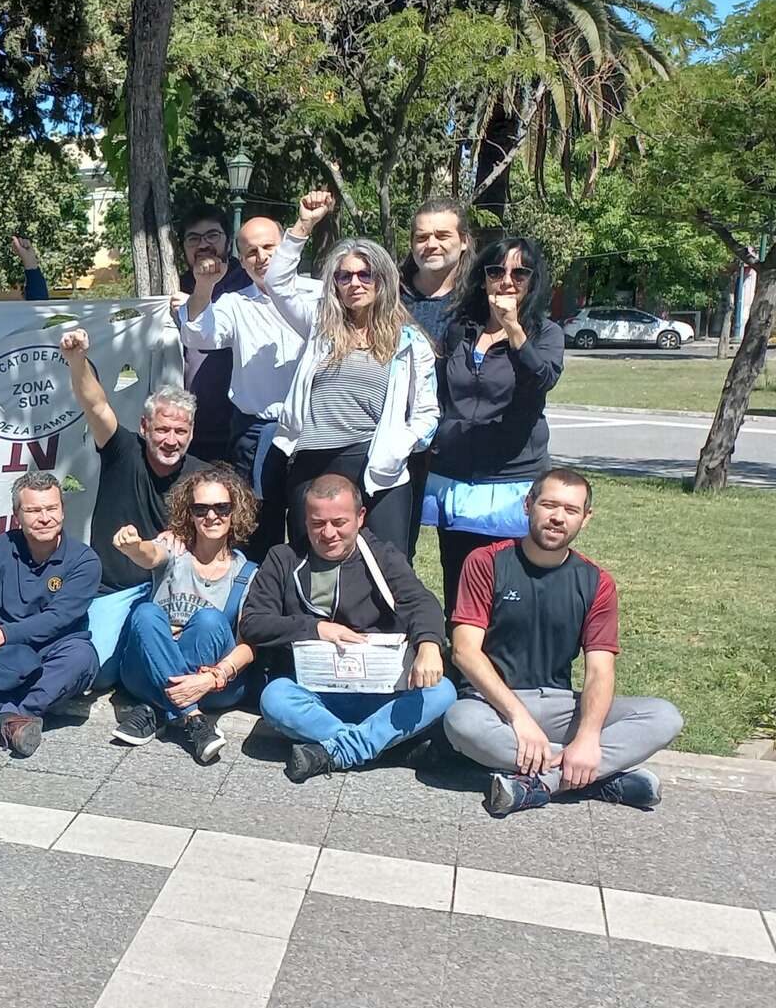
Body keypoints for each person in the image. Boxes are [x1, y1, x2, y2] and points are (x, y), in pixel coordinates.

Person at [443, 470, 681, 817]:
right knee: (460, 723)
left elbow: (600, 671)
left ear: (585, 519)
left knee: (663, 717)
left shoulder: (596, 581)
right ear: (528, 506)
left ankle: (542, 782)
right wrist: (519, 718)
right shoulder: (486, 562)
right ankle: (597, 777)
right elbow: (465, 650)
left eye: (570, 510)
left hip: (558, 704)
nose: (557, 517)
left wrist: (586, 737)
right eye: (549, 505)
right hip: (492, 704)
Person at [246, 476, 455, 782]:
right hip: (318, 693)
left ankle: (336, 751)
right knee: (275, 698)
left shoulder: (382, 556)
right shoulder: (284, 558)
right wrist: (316, 628)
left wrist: (429, 647)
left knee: (443, 692)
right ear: (305, 520)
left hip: (383, 690)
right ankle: (382, 747)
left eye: (339, 522)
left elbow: (422, 603)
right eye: (317, 523)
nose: (328, 533)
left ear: (360, 517)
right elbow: (253, 622)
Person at [265, 190, 438, 556]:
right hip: (312, 459)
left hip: (375, 461)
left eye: (365, 274)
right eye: (344, 276)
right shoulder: (319, 326)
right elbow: (277, 283)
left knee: (388, 564)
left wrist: (399, 447)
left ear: (382, 279)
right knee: (309, 562)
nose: (355, 283)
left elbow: (427, 415)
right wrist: (303, 225)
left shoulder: (409, 342)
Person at [426, 237, 565, 609]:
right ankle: (460, 651)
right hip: (457, 473)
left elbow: (542, 380)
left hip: (512, 477)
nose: (506, 280)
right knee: (457, 571)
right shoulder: (460, 329)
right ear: (482, 279)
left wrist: (515, 330)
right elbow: (440, 391)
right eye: (496, 271)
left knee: (507, 578)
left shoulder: (545, 333)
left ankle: (500, 658)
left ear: (534, 281)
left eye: (519, 273)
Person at [59, 329, 208, 674]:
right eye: (162, 429)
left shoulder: (204, 479)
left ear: (191, 433)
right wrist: (77, 360)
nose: (171, 440)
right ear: (144, 427)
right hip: (113, 589)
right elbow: (94, 403)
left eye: (180, 432)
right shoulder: (122, 450)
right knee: (97, 674)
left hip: (173, 597)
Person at [174, 215, 324, 555]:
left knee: (310, 526)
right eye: (251, 251)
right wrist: (203, 286)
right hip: (255, 435)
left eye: (270, 247)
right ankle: (257, 603)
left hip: (311, 432)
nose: (262, 257)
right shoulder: (233, 303)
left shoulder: (320, 294)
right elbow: (197, 334)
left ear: (286, 249)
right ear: (241, 260)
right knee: (257, 532)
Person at [0, 472, 101, 758]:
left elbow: (58, 618)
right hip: (3, 648)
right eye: (34, 510)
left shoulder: (84, 560)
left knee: (82, 658)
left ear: (62, 509)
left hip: (56, 646)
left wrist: (3, 634)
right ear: (17, 515)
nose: (44, 517)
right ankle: (12, 723)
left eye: (51, 508)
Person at [108, 467, 262, 765]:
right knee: (147, 612)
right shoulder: (174, 548)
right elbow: (149, 554)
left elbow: (248, 645)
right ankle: (192, 718)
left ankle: (156, 708)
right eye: (200, 508)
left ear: (236, 511)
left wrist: (215, 677)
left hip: (210, 682)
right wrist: (132, 546)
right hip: (146, 668)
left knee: (210, 621)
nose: (211, 516)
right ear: (188, 513)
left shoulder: (247, 573)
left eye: (222, 507)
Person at [170, 205, 256, 465]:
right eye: (194, 239)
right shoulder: (172, 285)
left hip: (243, 426)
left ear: (228, 242)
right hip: (191, 427)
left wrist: (195, 305)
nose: (203, 245)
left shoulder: (249, 282)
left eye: (212, 236)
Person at [400, 198, 475, 343]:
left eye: (442, 236)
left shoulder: (479, 296)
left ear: (464, 241)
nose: (431, 245)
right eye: (422, 238)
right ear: (411, 243)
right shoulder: (391, 295)